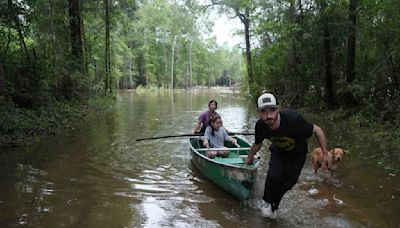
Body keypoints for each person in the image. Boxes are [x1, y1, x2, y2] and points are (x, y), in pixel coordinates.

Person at [245, 92, 329, 218]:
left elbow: (317, 130)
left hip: (297, 154)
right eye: (264, 111)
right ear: (258, 112)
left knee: (288, 183)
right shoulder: (260, 126)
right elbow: (257, 144)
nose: (269, 115)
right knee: (273, 176)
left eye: (272, 110)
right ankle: (266, 202)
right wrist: (249, 158)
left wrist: (325, 153)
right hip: (278, 151)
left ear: (278, 109)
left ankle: (274, 206)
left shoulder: (294, 120)